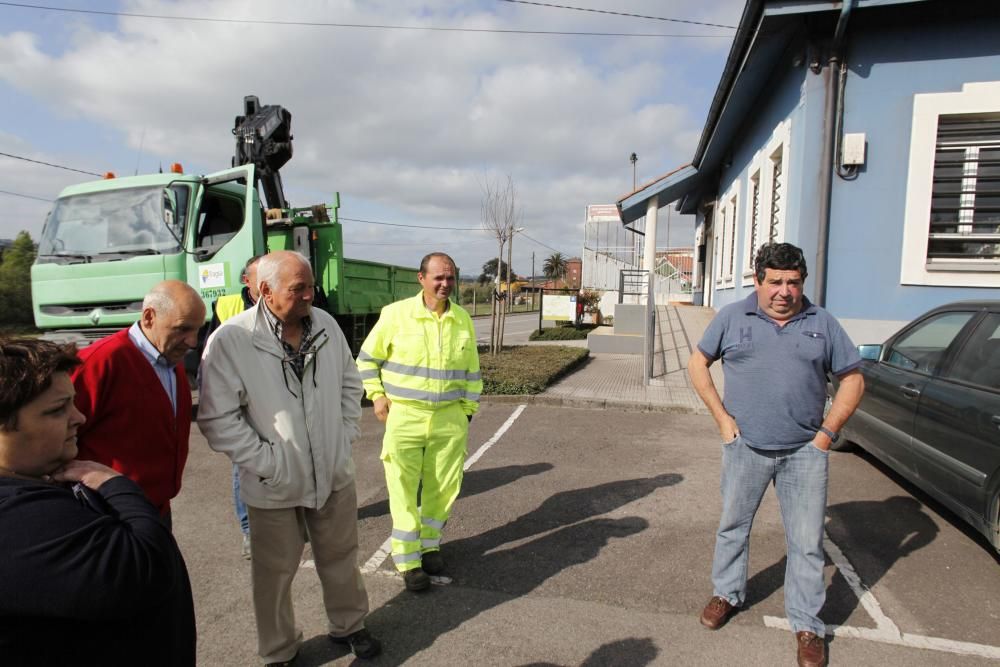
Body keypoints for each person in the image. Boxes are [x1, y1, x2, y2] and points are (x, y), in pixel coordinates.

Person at [198, 250, 381, 665]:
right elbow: (217, 419)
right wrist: (268, 463)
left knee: (340, 558)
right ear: (264, 291)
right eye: (298, 289)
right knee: (273, 574)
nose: (308, 297)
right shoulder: (232, 339)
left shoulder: (328, 326)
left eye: (311, 287)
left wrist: (343, 435)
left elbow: (351, 387)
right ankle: (279, 650)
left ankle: (349, 625)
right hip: (272, 484)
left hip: (333, 473)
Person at [687, 242, 865, 667]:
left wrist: (826, 435)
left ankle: (806, 624)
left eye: (793, 283)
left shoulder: (822, 322)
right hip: (745, 446)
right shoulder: (732, 317)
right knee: (733, 527)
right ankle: (726, 594)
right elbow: (697, 364)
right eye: (776, 282)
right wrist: (722, 420)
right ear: (758, 281)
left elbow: (853, 379)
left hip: (805, 453)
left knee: (805, 543)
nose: (785, 291)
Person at [0, 338, 195, 666]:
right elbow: (147, 567)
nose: (79, 417)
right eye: (56, 410)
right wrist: (114, 483)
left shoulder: (39, 484)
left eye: (72, 403)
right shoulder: (13, 519)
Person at [357, 252, 482, 592]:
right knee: (402, 488)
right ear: (421, 279)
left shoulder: (462, 320)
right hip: (406, 417)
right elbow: (367, 361)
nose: (445, 284)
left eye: (451, 278)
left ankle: (429, 546)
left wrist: (467, 410)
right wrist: (377, 396)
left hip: (450, 419)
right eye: (439, 277)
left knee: (443, 487)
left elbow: (471, 371)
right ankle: (408, 560)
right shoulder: (396, 315)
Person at [72, 280, 206, 530]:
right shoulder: (101, 361)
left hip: (154, 510)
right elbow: (52, 440)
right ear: (149, 317)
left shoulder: (168, 358)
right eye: (183, 329)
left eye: (197, 330)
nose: (192, 342)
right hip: (107, 515)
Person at [207, 254, 263, 559]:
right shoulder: (226, 306)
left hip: (280, 398)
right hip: (242, 398)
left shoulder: (286, 301)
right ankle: (250, 532)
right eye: (262, 275)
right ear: (247, 280)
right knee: (245, 466)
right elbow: (213, 353)